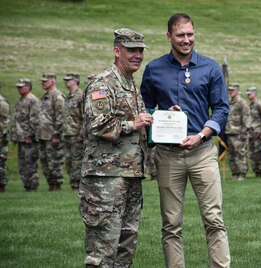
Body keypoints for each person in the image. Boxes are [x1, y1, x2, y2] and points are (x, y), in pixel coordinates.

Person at [140, 13, 231, 267]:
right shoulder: (153, 69)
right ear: (169, 36)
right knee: (171, 224)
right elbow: (144, 106)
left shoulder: (210, 67)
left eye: (190, 34)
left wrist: (202, 134)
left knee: (214, 219)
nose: (186, 39)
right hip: (168, 155)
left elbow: (222, 109)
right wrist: (160, 116)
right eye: (180, 35)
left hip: (202, 152)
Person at [79, 28, 152, 267]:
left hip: (129, 176)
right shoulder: (103, 83)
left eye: (140, 51)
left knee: (125, 248)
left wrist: (160, 119)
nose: (137, 55)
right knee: (102, 250)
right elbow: (98, 126)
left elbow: (138, 123)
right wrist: (134, 123)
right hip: (105, 180)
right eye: (132, 50)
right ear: (116, 50)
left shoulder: (130, 84)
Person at [11, 78, 41, 192]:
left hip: (29, 139)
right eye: (18, 87)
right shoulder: (21, 100)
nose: (19, 89)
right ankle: (27, 186)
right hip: (21, 138)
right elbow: (17, 120)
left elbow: (35, 120)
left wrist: (30, 135)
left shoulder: (32, 100)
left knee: (30, 164)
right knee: (22, 164)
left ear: (28, 87)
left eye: (21, 87)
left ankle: (33, 187)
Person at [37, 73, 66, 191]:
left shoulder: (58, 96)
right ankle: (51, 185)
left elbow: (61, 117)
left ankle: (56, 186)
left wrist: (56, 134)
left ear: (53, 82)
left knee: (54, 162)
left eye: (45, 81)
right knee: (45, 163)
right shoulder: (44, 97)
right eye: (42, 81)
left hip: (53, 136)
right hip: (43, 135)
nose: (43, 83)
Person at [63, 73, 84, 191]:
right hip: (67, 133)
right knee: (69, 160)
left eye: (68, 80)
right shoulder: (68, 96)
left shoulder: (80, 95)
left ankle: (77, 185)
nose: (65, 82)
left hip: (76, 134)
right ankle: (73, 184)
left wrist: (81, 134)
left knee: (77, 160)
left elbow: (84, 116)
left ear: (75, 81)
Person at [225, 83, 250, 180]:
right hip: (229, 132)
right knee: (231, 155)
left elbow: (246, 117)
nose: (230, 92)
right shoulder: (230, 102)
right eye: (229, 90)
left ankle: (242, 174)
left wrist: (244, 132)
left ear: (237, 91)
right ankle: (235, 173)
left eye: (232, 90)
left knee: (240, 154)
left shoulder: (241, 102)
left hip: (239, 133)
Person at [247, 86, 261, 178]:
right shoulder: (250, 105)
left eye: (250, 94)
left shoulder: (259, 104)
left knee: (259, 153)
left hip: (258, 133)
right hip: (251, 133)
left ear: (254, 94)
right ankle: (256, 171)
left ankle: (260, 172)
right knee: (252, 154)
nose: (248, 95)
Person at [0, 91, 9, 193]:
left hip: (1, 136)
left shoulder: (2, 102)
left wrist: (1, 136)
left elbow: (5, 121)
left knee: (1, 162)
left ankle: (1, 186)